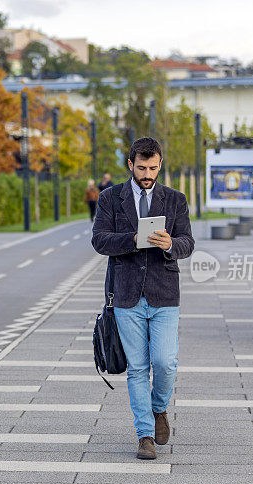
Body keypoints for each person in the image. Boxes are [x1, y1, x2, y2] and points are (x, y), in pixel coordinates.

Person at [90, 137, 194, 460]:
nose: (147, 173)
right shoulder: (110, 198)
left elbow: (188, 242)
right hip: (126, 294)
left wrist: (169, 245)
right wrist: (133, 239)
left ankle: (159, 407)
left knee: (165, 362)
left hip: (164, 294)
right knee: (137, 368)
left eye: (153, 167)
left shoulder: (175, 200)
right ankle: (145, 435)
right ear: (130, 165)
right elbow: (99, 241)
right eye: (141, 167)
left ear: (160, 164)